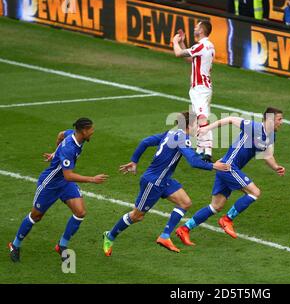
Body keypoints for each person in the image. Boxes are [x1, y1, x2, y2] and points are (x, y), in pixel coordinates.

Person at [102, 112, 230, 255]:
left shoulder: (172, 132)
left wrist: (134, 160)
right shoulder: (181, 138)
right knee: (137, 216)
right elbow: (193, 162)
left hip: (164, 180)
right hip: (153, 182)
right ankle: (110, 235)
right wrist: (213, 166)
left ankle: (164, 236)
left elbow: (146, 141)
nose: (198, 128)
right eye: (196, 125)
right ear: (189, 126)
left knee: (185, 203)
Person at [175, 107, 285, 246]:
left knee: (216, 206)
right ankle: (227, 220)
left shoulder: (271, 135)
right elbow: (231, 119)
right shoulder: (254, 127)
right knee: (255, 192)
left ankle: (184, 229)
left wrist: (276, 167)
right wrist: (207, 128)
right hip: (228, 167)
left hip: (226, 167)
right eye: (279, 119)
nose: (282, 122)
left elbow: (267, 155)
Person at [8, 118, 108, 263]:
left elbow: (60, 134)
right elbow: (68, 175)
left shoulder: (72, 135)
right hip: (51, 184)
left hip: (65, 184)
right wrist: (92, 179)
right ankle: (14, 244)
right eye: (91, 130)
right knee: (36, 216)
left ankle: (61, 245)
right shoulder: (69, 149)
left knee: (80, 212)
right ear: (84, 131)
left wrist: (55, 153)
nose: (93, 132)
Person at [173, 21, 215, 163]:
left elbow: (178, 53)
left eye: (197, 27)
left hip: (200, 88)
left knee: (202, 118)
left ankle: (208, 152)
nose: (194, 29)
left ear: (202, 30)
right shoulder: (208, 45)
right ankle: (200, 149)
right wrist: (183, 43)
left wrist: (175, 41)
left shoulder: (201, 46)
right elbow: (191, 59)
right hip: (203, 87)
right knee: (199, 117)